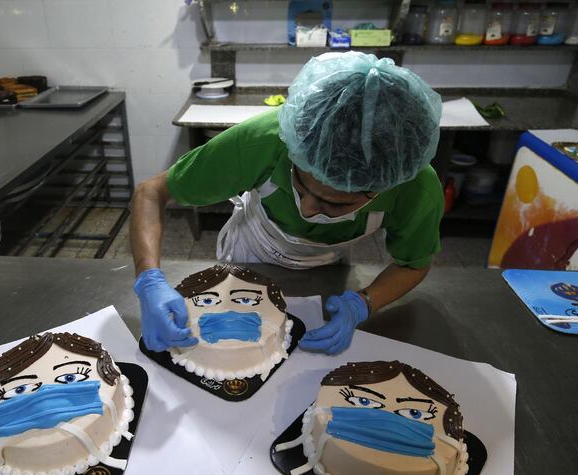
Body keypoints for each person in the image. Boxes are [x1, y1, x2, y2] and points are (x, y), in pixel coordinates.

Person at [131, 52, 444, 355]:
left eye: (333, 205)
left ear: (380, 189)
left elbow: (413, 263)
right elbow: (151, 192)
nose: (306, 210)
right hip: (250, 254)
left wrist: (363, 302)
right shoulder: (263, 141)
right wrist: (149, 280)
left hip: (328, 269)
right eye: (300, 185)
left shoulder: (415, 188)